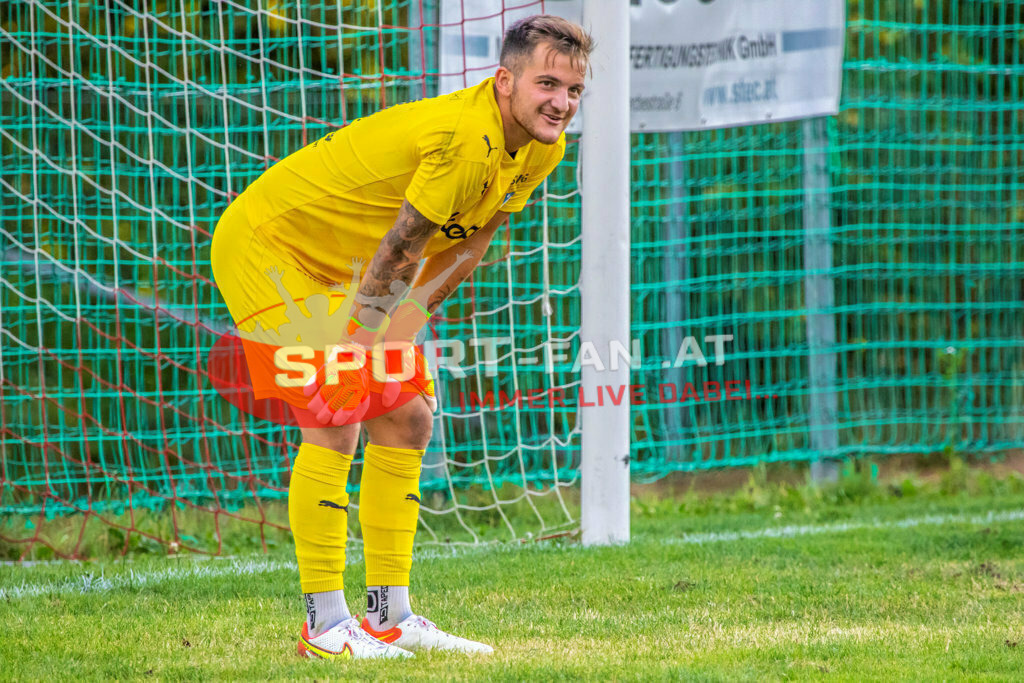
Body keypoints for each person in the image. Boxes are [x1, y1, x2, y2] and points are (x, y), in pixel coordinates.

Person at [210, 14, 592, 660]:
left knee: (409, 414)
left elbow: (470, 247)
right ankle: (324, 626)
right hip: (271, 246)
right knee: (336, 411)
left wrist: (401, 333)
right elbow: (403, 246)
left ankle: (389, 615)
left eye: (574, 90)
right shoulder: (463, 141)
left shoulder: (543, 145)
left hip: (347, 267)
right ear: (505, 81)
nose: (561, 102)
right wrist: (361, 345)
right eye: (547, 84)